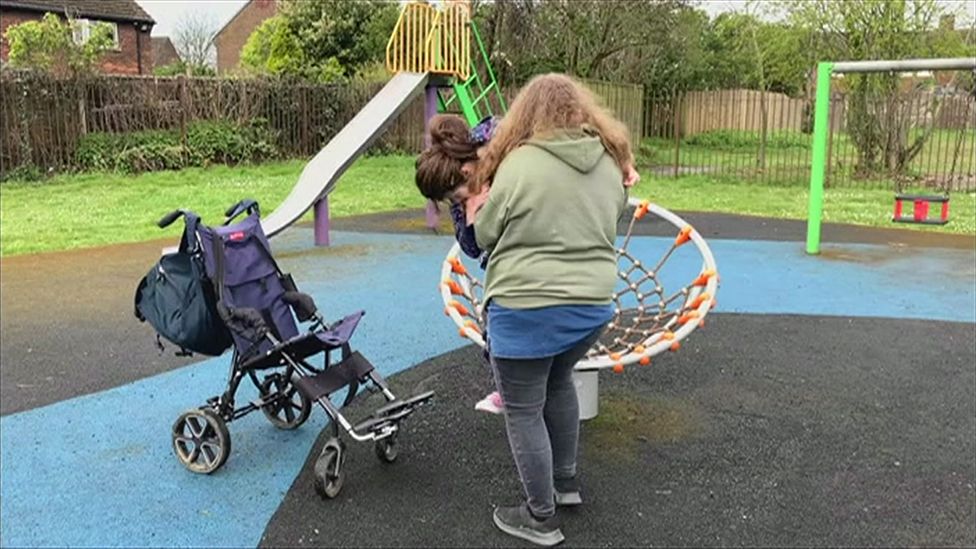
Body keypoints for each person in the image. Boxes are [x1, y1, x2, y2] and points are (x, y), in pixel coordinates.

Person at [466, 73, 633, 547]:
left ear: (527, 114)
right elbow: (614, 211)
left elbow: (484, 236)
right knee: (559, 381)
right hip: (591, 307)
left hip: (525, 306)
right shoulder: (607, 161)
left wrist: (477, 204)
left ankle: (539, 517)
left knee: (522, 409)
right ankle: (565, 483)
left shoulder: (519, 165)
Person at [415, 113, 506, 414]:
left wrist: (485, 160)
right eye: (450, 200)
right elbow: (470, 246)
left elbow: (501, 126)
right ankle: (505, 388)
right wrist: (467, 207)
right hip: (504, 263)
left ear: (466, 170)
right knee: (493, 321)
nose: (457, 201)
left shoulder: (495, 147)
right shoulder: (463, 200)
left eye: (455, 194)